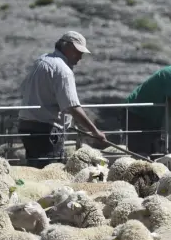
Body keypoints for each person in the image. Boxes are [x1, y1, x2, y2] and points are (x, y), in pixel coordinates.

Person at [17, 31, 108, 166]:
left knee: (35, 170)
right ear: (69, 48)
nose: (80, 57)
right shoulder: (63, 70)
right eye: (78, 52)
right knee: (49, 172)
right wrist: (94, 131)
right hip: (47, 129)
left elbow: (23, 89)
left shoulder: (42, 60)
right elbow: (72, 106)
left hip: (26, 124)